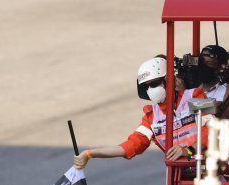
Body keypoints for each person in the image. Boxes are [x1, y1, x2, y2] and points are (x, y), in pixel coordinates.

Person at [74, 56, 209, 169]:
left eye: (154, 83)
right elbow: (130, 145)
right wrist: (91, 153)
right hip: (178, 178)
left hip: (209, 171)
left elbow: (214, 128)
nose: (150, 89)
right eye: (147, 86)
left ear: (168, 80)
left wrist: (189, 150)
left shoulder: (196, 95)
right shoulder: (151, 116)